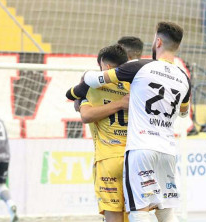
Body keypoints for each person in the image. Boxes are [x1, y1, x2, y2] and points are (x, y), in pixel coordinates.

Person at [83, 21, 191, 222]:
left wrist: (84, 81)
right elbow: (184, 113)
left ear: (158, 42)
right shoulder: (184, 77)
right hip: (167, 151)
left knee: (139, 210)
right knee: (165, 211)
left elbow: (94, 79)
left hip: (141, 148)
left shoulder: (140, 67)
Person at [66, 44, 131, 222]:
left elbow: (83, 112)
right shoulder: (133, 86)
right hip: (135, 157)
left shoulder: (93, 86)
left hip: (108, 157)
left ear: (104, 65)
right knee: (136, 214)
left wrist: (79, 100)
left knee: (113, 215)